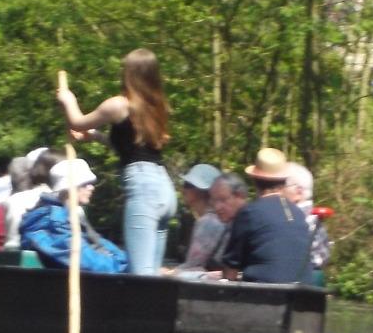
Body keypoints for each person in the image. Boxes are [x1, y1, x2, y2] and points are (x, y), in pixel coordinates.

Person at [58, 49, 177, 276]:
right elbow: (131, 151)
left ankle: (138, 312)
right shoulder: (156, 106)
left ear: (129, 74)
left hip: (144, 192)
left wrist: (68, 100)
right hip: (164, 190)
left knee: (140, 276)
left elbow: (77, 121)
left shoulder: (119, 105)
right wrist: (96, 136)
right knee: (151, 273)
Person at [218, 148, 313, 284]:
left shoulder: (249, 213)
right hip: (302, 295)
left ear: (255, 180)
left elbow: (230, 269)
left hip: (264, 295)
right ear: (284, 180)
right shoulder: (299, 214)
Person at [18, 157, 128, 273]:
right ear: (69, 188)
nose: (92, 187)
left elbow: (101, 245)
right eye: (85, 184)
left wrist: (126, 261)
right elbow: (85, 261)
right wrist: (125, 267)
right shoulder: (53, 221)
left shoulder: (70, 215)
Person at [177, 172, 246, 273]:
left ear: (200, 191)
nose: (183, 189)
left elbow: (193, 265)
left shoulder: (208, 222)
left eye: (188, 185)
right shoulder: (226, 219)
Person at [285, 162, 331, 285]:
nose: (278, 191)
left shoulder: (299, 219)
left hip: (301, 280)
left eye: (282, 185)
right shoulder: (313, 218)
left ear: (298, 192)